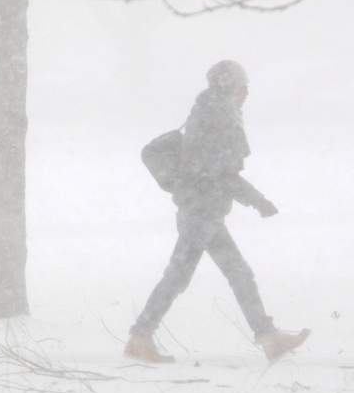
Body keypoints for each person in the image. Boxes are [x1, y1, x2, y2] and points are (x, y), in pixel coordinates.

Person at [126, 59, 309, 364]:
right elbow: (221, 172)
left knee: (235, 273)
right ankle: (140, 336)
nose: (247, 92)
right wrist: (258, 200)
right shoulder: (217, 116)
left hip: (204, 209)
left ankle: (269, 338)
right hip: (201, 210)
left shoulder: (209, 113)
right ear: (229, 86)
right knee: (181, 275)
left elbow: (215, 169)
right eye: (242, 85)